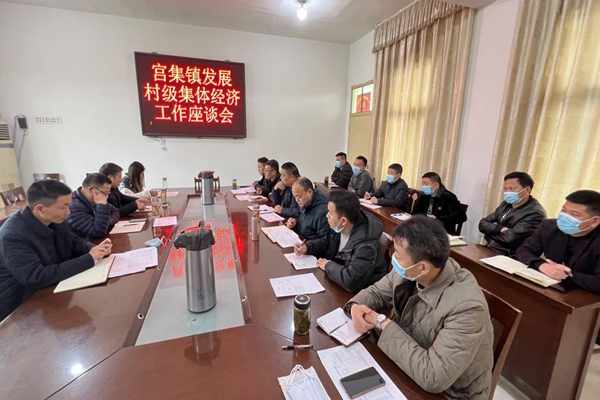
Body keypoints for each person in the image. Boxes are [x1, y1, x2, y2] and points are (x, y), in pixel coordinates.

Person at [344, 216, 493, 399]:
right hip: (406, 366)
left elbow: (433, 376)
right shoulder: (409, 271)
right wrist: (355, 306)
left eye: (398, 255)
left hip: (449, 393)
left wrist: (382, 322)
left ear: (423, 268)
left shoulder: (467, 308)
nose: (393, 258)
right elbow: (376, 292)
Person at [0, 180, 112, 321]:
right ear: (40, 209)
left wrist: (94, 249)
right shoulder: (13, 235)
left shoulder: (53, 219)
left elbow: (74, 242)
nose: (68, 212)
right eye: (63, 207)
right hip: (22, 306)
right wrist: (89, 258)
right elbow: (35, 277)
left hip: (55, 288)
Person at [293, 190, 387, 292]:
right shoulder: (339, 227)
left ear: (343, 221)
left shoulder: (366, 246)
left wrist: (328, 265)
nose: (327, 216)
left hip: (364, 293)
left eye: (330, 212)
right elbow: (326, 242)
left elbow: (351, 281)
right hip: (338, 282)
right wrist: (307, 247)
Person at [515, 190, 600, 295]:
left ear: (594, 221)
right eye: (564, 210)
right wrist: (543, 266)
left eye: (574, 214)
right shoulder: (549, 226)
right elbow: (523, 250)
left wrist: (563, 274)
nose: (565, 216)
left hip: (585, 297)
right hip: (549, 289)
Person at [479, 172, 546, 256]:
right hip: (490, 248)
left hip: (510, 256)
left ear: (527, 190)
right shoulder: (506, 204)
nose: (507, 192)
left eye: (511, 188)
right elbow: (482, 223)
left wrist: (488, 234)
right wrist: (500, 228)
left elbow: (509, 239)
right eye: (505, 188)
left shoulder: (535, 213)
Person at [68, 173, 121, 240]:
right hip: (84, 244)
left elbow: (116, 212)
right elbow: (98, 232)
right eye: (105, 193)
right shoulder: (73, 207)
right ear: (91, 189)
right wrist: (101, 206)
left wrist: (104, 223)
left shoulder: (93, 199)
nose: (107, 197)